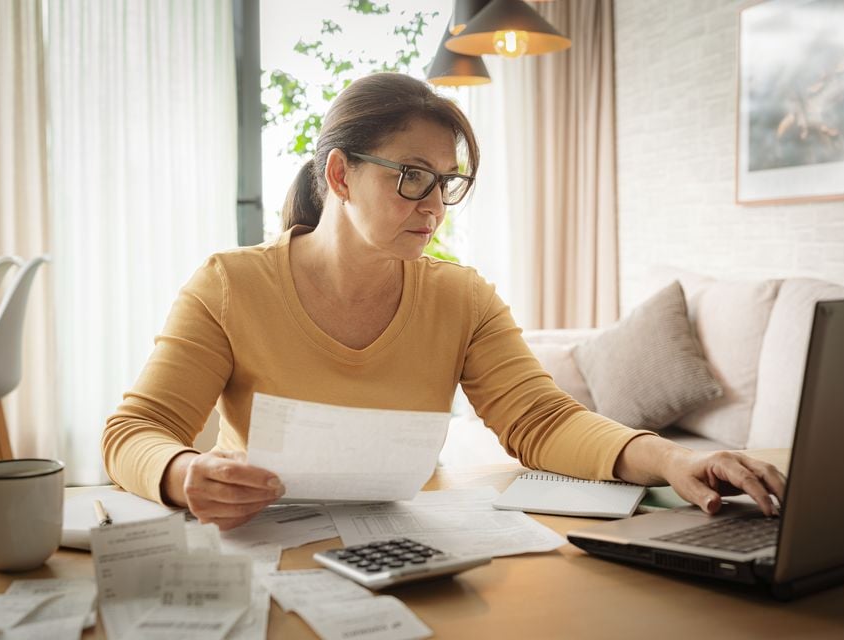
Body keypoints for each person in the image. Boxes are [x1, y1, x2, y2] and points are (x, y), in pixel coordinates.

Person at [103, 73, 785, 531]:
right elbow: (135, 431)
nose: (434, 206)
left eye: (446, 182)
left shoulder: (461, 297)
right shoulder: (230, 285)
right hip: (266, 541)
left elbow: (541, 423)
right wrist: (183, 472)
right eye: (411, 177)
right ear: (340, 175)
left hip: (406, 542)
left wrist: (673, 460)